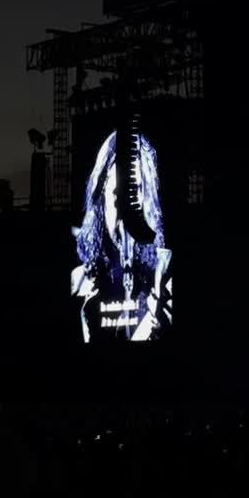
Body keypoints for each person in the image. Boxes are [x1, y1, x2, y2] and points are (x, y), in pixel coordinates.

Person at [72, 126, 172, 342]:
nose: (125, 209)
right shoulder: (79, 279)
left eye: (134, 192)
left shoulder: (164, 275)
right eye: (117, 194)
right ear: (103, 195)